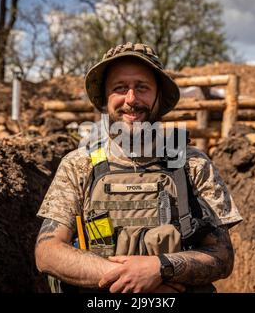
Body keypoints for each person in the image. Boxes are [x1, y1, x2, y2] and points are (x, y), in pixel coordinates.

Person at [34, 42, 242, 293]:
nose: (131, 99)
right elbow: (47, 252)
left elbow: (222, 257)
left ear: (159, 96)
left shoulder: (193, 164)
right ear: (104, 100)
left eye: (142, 88)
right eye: (120, 88)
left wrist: (160, 268)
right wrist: (133, 279)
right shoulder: (79, 165)